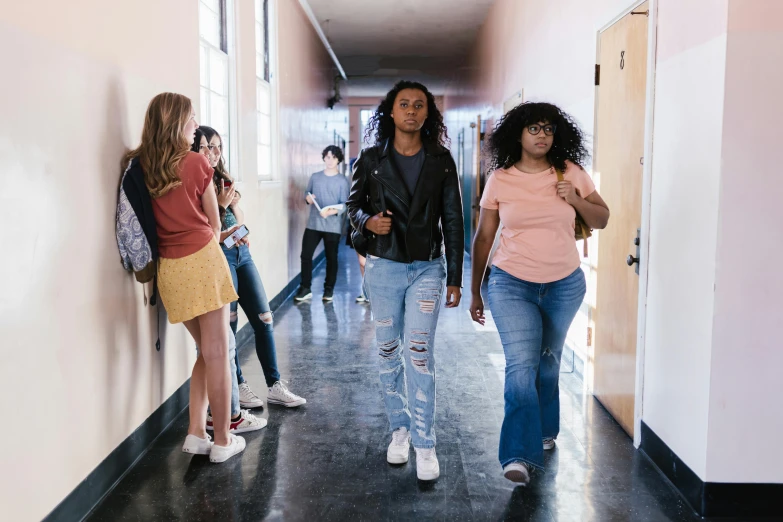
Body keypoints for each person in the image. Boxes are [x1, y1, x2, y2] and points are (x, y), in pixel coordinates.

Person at [469, 102, 610, 486]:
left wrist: (575, 199)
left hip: (564, 284)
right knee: (520, 366)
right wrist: (475, 291)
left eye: (548, 129)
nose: (542, 135)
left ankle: (545, 429)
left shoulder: (570, 173)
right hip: (511, 282)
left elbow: (602, 218)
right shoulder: (500, 179)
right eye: (534, 129)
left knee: (547, 364)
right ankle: (517, 455)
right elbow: (484, 237)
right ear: (518, 134)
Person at [347, 80, 464, 481]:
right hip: (383, 267)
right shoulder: (369, 159)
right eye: (404, 104)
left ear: (427, 113)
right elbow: (352, 207)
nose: (411, 111)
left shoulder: (442, 160)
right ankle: (400, 429)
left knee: (419, 354)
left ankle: (425, 442)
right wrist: (368, 221)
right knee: (387, 352)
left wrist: (455, 278)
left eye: (419, 105)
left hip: (427, 268)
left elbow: (452, 220)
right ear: (391, 112)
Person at [126, 92, 244, 463]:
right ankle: (224, 439)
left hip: (170, 270)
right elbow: (213, 220)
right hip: (203, 263)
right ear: (177, 123)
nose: (196, 126)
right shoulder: (194, 163)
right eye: (193, 119)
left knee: (207, 354)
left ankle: (195, 432)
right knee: (219, 352)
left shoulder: (141, 166)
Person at [193, 126, 307, 409]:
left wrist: (237, 222)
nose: (215, 153)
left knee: (264, 318)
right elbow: (204, 229)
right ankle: (240, 385)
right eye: (208, 147)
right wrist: (221, 206)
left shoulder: (220, 179)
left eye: (218, 147)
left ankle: (274, 385)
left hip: (241, 254)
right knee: (227, 328)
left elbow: (237, 217)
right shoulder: (195, 181)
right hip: (220, 257)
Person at [294, 146, 350, 302]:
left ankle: (328, 290)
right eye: (327, 157)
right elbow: (307, 194)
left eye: (333, 157)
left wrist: (330, 211)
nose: (330, 160)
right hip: (313, 223)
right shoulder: (315, 177)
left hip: (333, 226)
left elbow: (345, 204)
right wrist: (308, 199)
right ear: (323, 158)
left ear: (338, 159)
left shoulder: (342, 181)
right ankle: (305, 288)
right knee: (306, 255)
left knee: (331, 258)